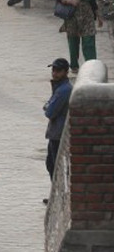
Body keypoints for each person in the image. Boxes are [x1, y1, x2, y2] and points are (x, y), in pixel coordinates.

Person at [57, 0, 103, 71]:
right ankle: (74, 66)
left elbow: (92, 0)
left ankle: (91, 65)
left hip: (87, 14)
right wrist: (70, 1)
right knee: (73, 40)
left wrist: (99, 17)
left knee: (89, 39)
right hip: (72, 15)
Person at [43, 58, 73, 187]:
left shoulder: (63, 91)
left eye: (58, 71)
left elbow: (49, 111)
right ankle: (55, 190)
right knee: (51, 164)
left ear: (66, 72)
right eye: (53, 70)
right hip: (56, 132)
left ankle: (58, 191)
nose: (54, 73)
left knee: (55, 165)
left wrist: (48, 106)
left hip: (58, 133)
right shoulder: (60, 87)